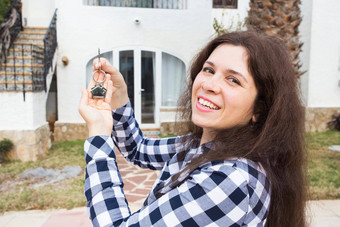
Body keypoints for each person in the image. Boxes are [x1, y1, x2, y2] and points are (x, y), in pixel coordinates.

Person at [79, 31, 307, 227]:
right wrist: (118, 99)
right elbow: (139, 149)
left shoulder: (230, 180)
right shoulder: (202, 146)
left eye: (233, 80)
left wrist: (99, 134)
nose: (208, 85)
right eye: (209, 70)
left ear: (259, 109)